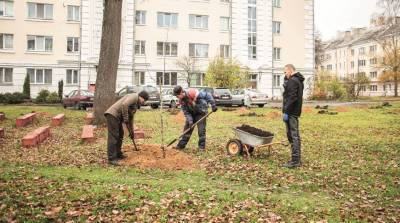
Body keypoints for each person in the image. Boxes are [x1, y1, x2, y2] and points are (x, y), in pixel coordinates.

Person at [104, 91, 149, 165]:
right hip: (112, 115)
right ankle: (111, 158)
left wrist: (132, 133)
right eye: (144, 100)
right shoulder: (134, 96)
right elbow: (124, 104)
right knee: (114, 136)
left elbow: (131, 120)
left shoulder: (135, 105)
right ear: (141, 97)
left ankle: (118, 154)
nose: (143, 102)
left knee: (120, 135)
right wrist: (125, 118)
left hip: (117, 118)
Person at [173, 86, 218, 152]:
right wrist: (190, 121)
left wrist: (213, 104)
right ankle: (181, 146)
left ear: (181, 93)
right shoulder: (181, 101)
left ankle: (201, 148)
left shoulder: (192, 92)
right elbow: (186, 112)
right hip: (191, 114)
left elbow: (207, 95)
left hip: (201, 112)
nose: (177, 98)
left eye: (177, 96)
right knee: (187, 130)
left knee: (201, 131)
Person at [282, 64, 304, 168]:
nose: (284, 74)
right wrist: (286, 82)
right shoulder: (298, 80)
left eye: (285, 72)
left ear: (290, 70)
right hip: (294, 112)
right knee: (294, 135)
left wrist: (286, 111)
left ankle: (295, 161)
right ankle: (297, 159)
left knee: (293, 135)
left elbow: (291, 97)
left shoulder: (293, 81)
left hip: (291, 112)